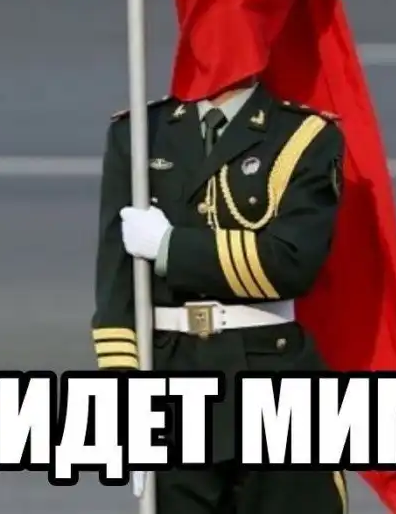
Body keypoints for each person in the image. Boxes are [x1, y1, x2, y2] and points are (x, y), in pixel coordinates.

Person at [91, 75, 349, 514]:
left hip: (271, 371)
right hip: (171, 375)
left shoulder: (303, 135)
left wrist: (170, 247)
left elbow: (293, 262)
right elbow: (117, 287)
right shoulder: (139, 133)